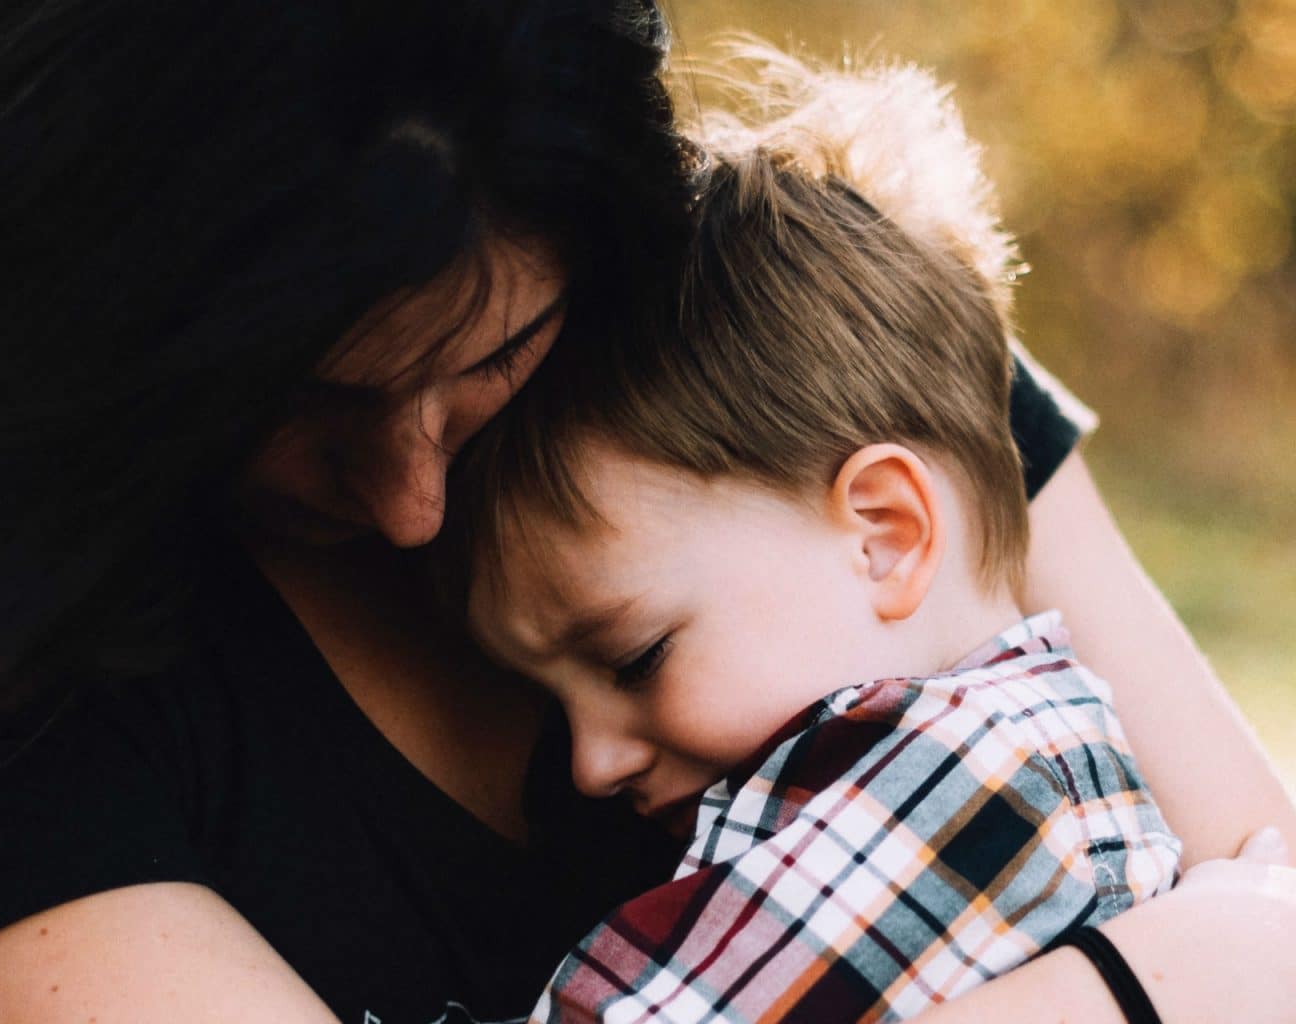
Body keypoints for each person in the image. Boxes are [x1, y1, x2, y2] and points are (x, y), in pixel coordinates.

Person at [0, 3, 1290, 1023]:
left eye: (489, 359)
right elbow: (1243, 947)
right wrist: (1150, 981)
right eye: (294, 411)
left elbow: (1274, 891)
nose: (418, 504)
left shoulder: (786, 352)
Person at [448, 57, 1183, 1022]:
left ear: (884, 534)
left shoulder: (967, 783)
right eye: (553, 699)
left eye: (634, 659)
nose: (590, 765)